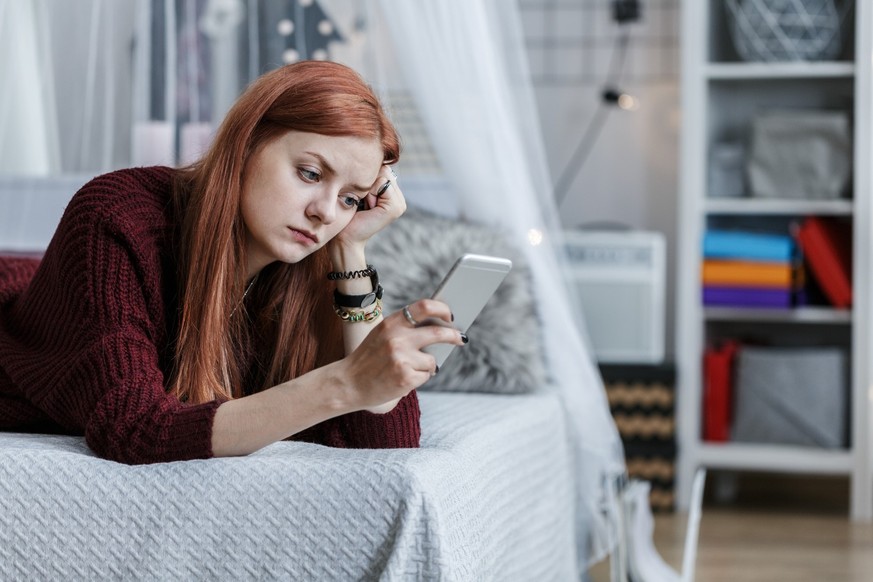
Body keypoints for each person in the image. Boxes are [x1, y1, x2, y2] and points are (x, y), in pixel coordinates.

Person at [0, 60, 466, 464]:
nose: (325, 211)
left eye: (350, 198)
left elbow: (387, 441)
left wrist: (351, 252)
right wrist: (342, 384)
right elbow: (134, 429)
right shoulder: (117, 215)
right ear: (247, 144)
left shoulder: (314, 260)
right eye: (309, 173)